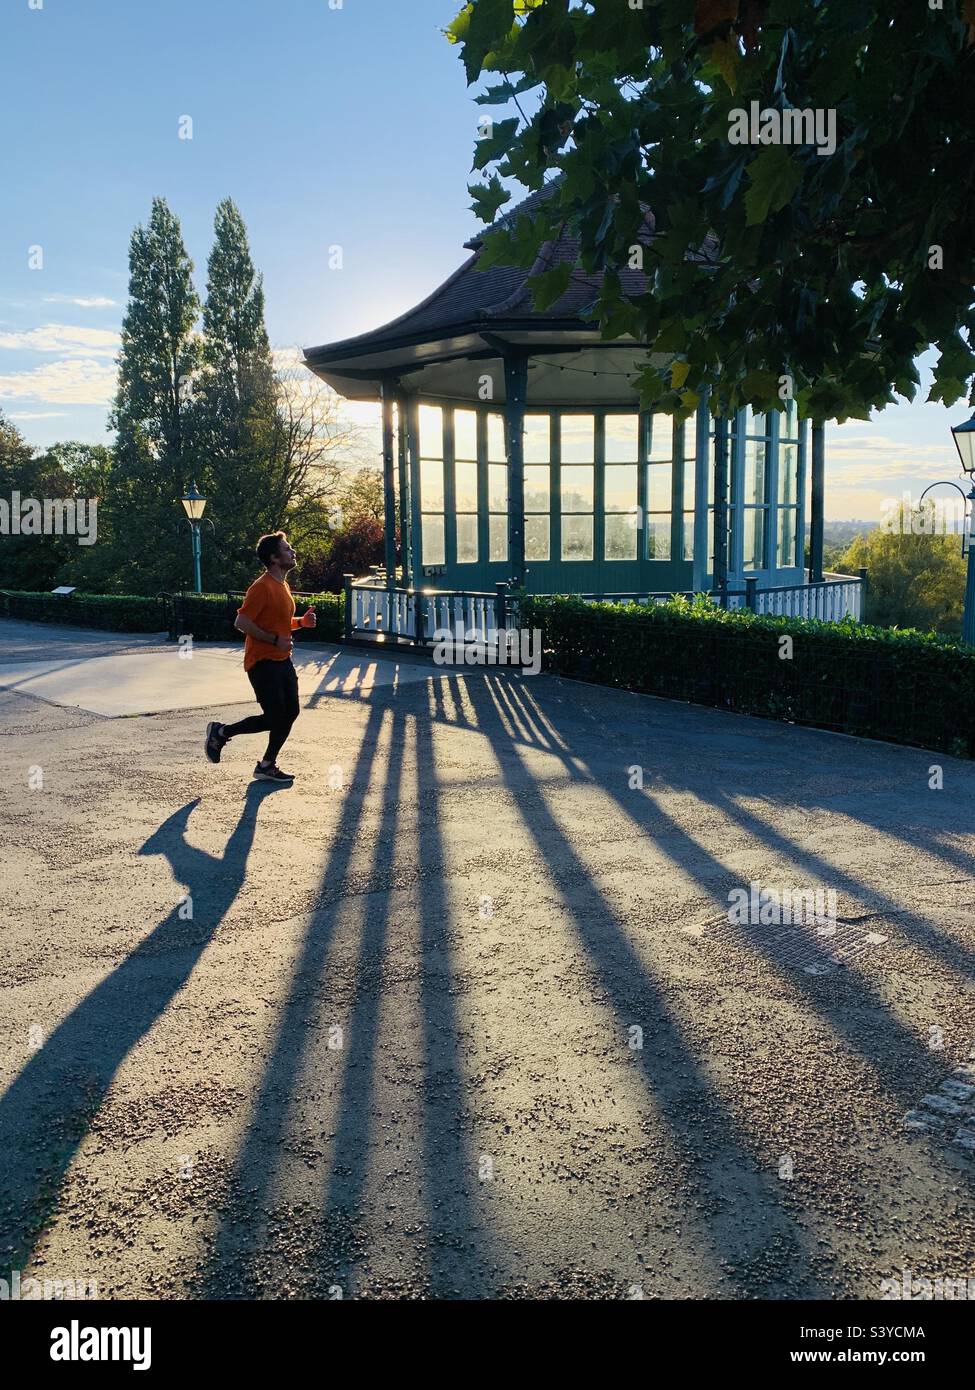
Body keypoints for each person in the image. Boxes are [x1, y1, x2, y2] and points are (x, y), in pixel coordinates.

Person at [204, 531, 316, 784]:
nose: (293, 552)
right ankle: (221, 732)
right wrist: (274, 640)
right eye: (287, 549)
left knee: (291, 712)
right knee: (275, 716)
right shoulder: (261, 587)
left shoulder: (282, 585)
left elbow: (277, 623)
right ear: (275, 558)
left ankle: (267, 764)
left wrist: (301, 622)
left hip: (282, 660)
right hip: (262, 662)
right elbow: (241, 621)